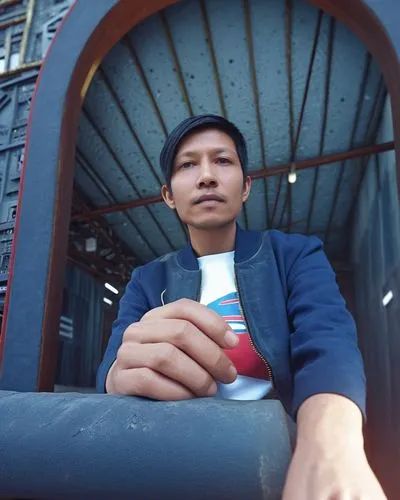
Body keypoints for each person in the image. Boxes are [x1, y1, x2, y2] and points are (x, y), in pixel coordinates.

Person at [97, 114, 386, 499]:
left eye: (223, 161)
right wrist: (117, 375)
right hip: (176, 458)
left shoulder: (295, 255)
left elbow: (329, 340)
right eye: (188, 164)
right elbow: (109, 368)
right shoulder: (147, 280)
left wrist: (331, 443)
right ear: (168, 195)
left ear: (246, 186)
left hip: (279, 448)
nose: (206, 176)